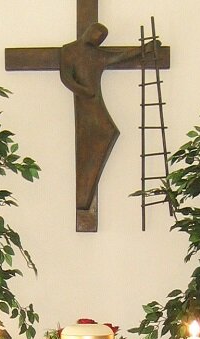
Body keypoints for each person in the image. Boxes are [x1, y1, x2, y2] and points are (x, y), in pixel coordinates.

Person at [59, 23, 138, 213]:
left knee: (106, 132)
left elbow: (120, 56)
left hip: (94, 103)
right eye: (95, 33)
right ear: (88, 31)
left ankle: (85, 195)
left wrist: (144, 49)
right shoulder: (68, 50)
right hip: (86, 103)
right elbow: (66, 77)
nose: (97, 38)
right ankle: (84, 197)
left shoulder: (97, 55)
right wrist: (82, 90)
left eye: (101, 37)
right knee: (103, 133)